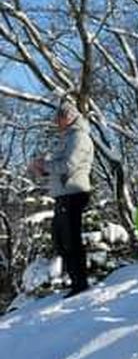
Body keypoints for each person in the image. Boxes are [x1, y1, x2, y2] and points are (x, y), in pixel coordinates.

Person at [32, 99, 94, 297]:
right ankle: (74, 280)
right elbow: (59, 166)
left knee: (70, 239)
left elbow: (68, 165)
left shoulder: (79, 137)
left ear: (69, 117)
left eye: (58, 118)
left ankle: (80, 283)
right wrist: (42, 169)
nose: (56, 122)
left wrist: (45, 166)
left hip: (74, 193)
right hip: (63, 194)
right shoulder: (67, 137)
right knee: (60, 239)